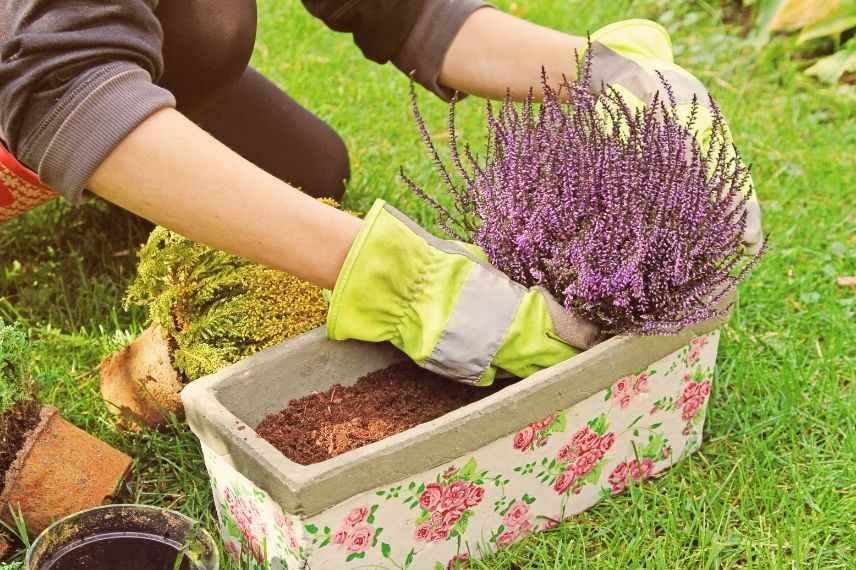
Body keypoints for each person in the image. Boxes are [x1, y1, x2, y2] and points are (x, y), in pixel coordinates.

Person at [0, 2, 761, 386]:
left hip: (137, 57)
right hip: (27, 78)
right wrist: (395, 275)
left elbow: (406, 9)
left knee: (309, 168)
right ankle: (113, 155)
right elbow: (63, 88)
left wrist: (609, 75)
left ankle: (131, 150)